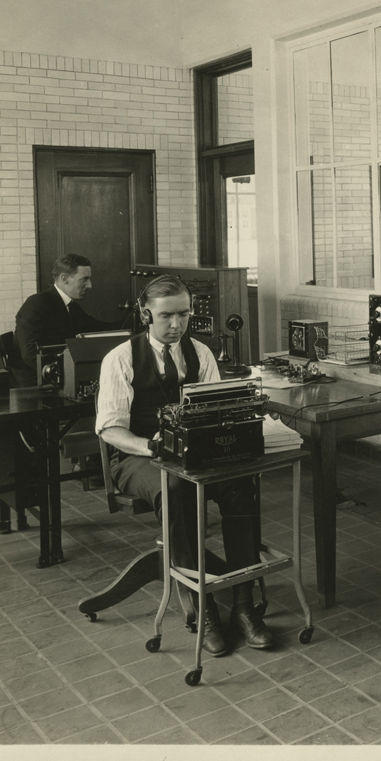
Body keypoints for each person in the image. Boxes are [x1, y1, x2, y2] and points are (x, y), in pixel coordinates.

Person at [93, 275, 273, 657]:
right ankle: (203, 608)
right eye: (166, 316)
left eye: (184, 315)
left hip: (196, 456)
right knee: (177, 489)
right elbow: (110, 428)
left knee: (241, 485)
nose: (176, 325)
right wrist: (151, 446)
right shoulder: (121, 358)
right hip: (135, 456)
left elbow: (215, 408)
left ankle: (244, 604)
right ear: (146, 314)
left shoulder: (201, 353)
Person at [11, 253, 119, 387]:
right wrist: (67, 377)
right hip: (35, 383)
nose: (90, 285)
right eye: (84, 279)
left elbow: (97, 328)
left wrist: (133, 320)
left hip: (56, 378)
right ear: (65, 279)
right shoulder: (36, 304)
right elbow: (30, 355)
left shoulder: (71, 307)